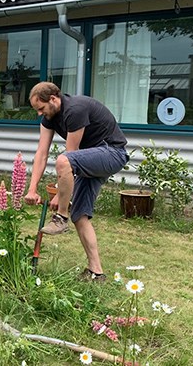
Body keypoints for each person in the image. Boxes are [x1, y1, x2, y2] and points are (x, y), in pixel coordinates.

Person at [24, 82, 128, 282]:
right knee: (80, 215)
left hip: (112, 152)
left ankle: (60, 218)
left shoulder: (75, 109)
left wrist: (60, 197)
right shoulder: (49, 117)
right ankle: (96, 272)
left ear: (53, 99)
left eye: (41, 108)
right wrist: (32, 188)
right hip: (91, 158)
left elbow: (71, 156)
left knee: (64, 160)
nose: (39, 113)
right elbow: (42, 153)